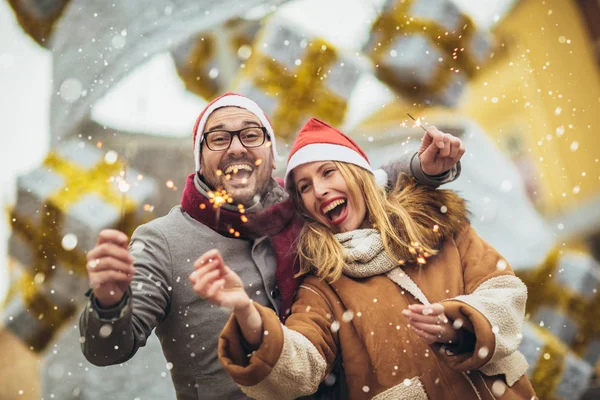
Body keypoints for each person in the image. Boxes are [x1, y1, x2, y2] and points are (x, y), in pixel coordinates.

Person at [79, 93, 464, 400]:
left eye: (251, 134)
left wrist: (424, 167)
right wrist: (109, 304)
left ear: (269, 152)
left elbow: (367, 180)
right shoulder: (161, 240)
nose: (236, 147)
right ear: (200, 159)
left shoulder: (300, 210)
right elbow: (107, 350)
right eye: (218, 137)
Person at [194, 118, 536, 399]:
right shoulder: (322, 288)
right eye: (305, 187)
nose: (320, 190)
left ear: (359, 174)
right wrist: (245, 312)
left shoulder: (440, 227)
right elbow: (300, 367)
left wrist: (461, 324)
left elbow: (505, 292)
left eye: (328, 172)